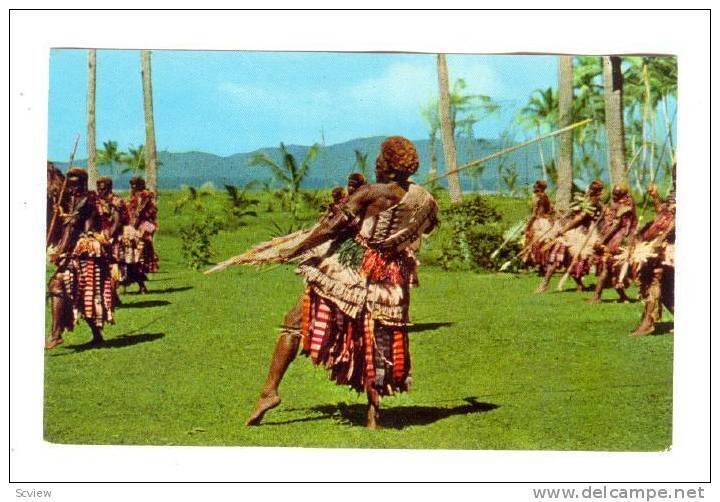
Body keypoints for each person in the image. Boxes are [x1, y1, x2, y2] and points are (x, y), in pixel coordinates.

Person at [244, 136, 438, 428]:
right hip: (390, 279)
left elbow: (332, 226)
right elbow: (429, 224)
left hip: (351, 272)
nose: (376, 162)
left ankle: (269, 391)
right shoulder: (423, 198)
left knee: (294, 321)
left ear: (388, 166)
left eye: (381, 159)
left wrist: (293, 250)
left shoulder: (374, 193)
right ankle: (374, 413)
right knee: (372, 339)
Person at [46, 168, 114, 349]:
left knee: (59, 284)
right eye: (70, 185)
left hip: (86, 251)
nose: (72, 189)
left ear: (83, 184)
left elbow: (73, 227)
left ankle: (55, 335)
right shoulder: (71, 200)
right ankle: (96, 335)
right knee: (82, 295)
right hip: (77, 251)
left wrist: (60, 250)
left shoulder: (86, 201)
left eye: (76, 185)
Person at [536, 180, 604, 293]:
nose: (588, 191)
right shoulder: (585, 200)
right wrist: (565, 218)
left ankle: (578, 284)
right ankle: (545, 283)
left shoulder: (594, 203)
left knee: (572, 258)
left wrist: (564, 229)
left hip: (584, 234)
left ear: (594, 191)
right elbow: (574, 214)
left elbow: (580, 218)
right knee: (559, 253)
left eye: (591, 189)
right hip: (574, 231)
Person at [628, 190, 675, 336]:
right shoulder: (672, 196)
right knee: (666, 290)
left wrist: (660, 240)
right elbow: (662, 212)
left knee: (656, 279)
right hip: (661, 244)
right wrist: (655, 195)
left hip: (669, 247)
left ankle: (648, 322)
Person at [588, 185, 637, 304]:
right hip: (615, 238)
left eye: (616, 195)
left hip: (621, 240)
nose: (614, 197)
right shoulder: (618, 204)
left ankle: (598, 296)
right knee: (609, 269)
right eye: (613, 194)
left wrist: (603, 240)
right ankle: (600, 296)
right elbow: (610, 221)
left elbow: (616, 225)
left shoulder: (626, 206)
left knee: (612, 269)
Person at [122, 176, 158, 293]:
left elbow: (138, 214)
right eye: (132, 185)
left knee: (134, 259)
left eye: (135, 185)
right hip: (135, 228)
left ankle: (141, 285)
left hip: (140, 229)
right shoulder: (134, 197)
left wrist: (132, 229)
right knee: (130, 259)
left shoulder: (143, 197)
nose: (133, 188)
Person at [96, 177, 129, 303]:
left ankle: (113, 294)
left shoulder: (116, 202)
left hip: (113, 238)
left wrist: (108, 236)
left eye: (103, 189)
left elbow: (117, 221)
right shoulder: (97, 202)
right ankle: (109, 294)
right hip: (100, 237)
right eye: (98, 188)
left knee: (114, 265)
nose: (100, 191)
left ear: (109, 188)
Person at [522, 179, 555, 274]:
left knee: (532, 244)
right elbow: (551, 210)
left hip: (539, 223)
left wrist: (528, 226)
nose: (533, 186)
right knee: (542, 244)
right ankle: (541, 266)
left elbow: (534, 214)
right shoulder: (546, 197)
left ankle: (530, 265)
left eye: (535, 185)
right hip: (546, 222)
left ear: (538, 187)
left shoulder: (537, 198)